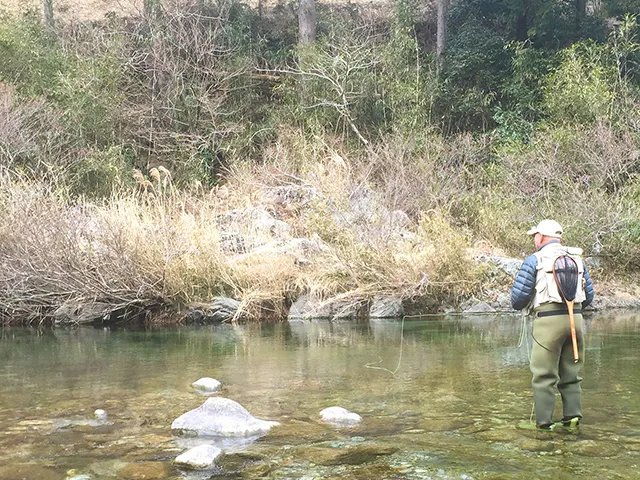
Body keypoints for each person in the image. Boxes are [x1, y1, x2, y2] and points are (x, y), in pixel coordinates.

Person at [511, 219, 595, 430]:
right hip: (575, 320)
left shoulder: (534, 260)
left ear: (540, 237)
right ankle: (572, 420)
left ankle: (544, 426)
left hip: (547, 322)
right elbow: (589, 297)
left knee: (544, 377)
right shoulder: (578, 261)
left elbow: (517, 299)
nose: (534, 240)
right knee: (572, 375)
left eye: (534, 236)